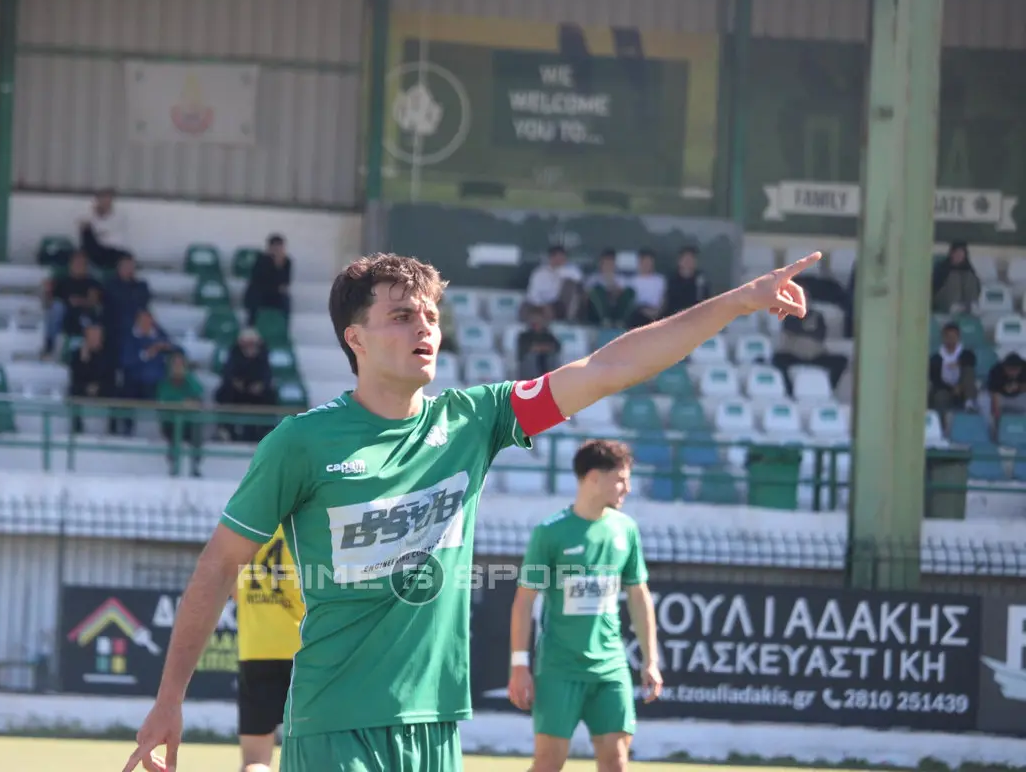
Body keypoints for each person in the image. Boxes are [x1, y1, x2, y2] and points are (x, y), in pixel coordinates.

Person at [121, 250, 820, 772]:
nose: (424, 328)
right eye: (402, 316)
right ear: (355, 338)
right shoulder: (300, 443)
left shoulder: (474, 419)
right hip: (335, 723)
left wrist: (738, 301)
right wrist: (169, 698)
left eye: (431, 315)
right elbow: (218, 565)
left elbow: (610, 369)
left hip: (437, 724)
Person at [507, 439, 659, 772]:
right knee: (548, 763)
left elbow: (638, 595)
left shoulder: (625, 530)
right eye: (620, 479)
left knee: (616, 761)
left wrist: (651, 660)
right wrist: (519, 665)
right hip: (559, 668)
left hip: (610, 668)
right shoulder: (549, 533)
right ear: (593, 477)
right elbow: (524, 601)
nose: (628, 488)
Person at [234, 526, 304, 772]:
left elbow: (233, 592)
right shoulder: (304, 528)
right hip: (303, 651)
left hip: (256, 650)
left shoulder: (245, 531)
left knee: (255, 760)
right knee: (315, 753)